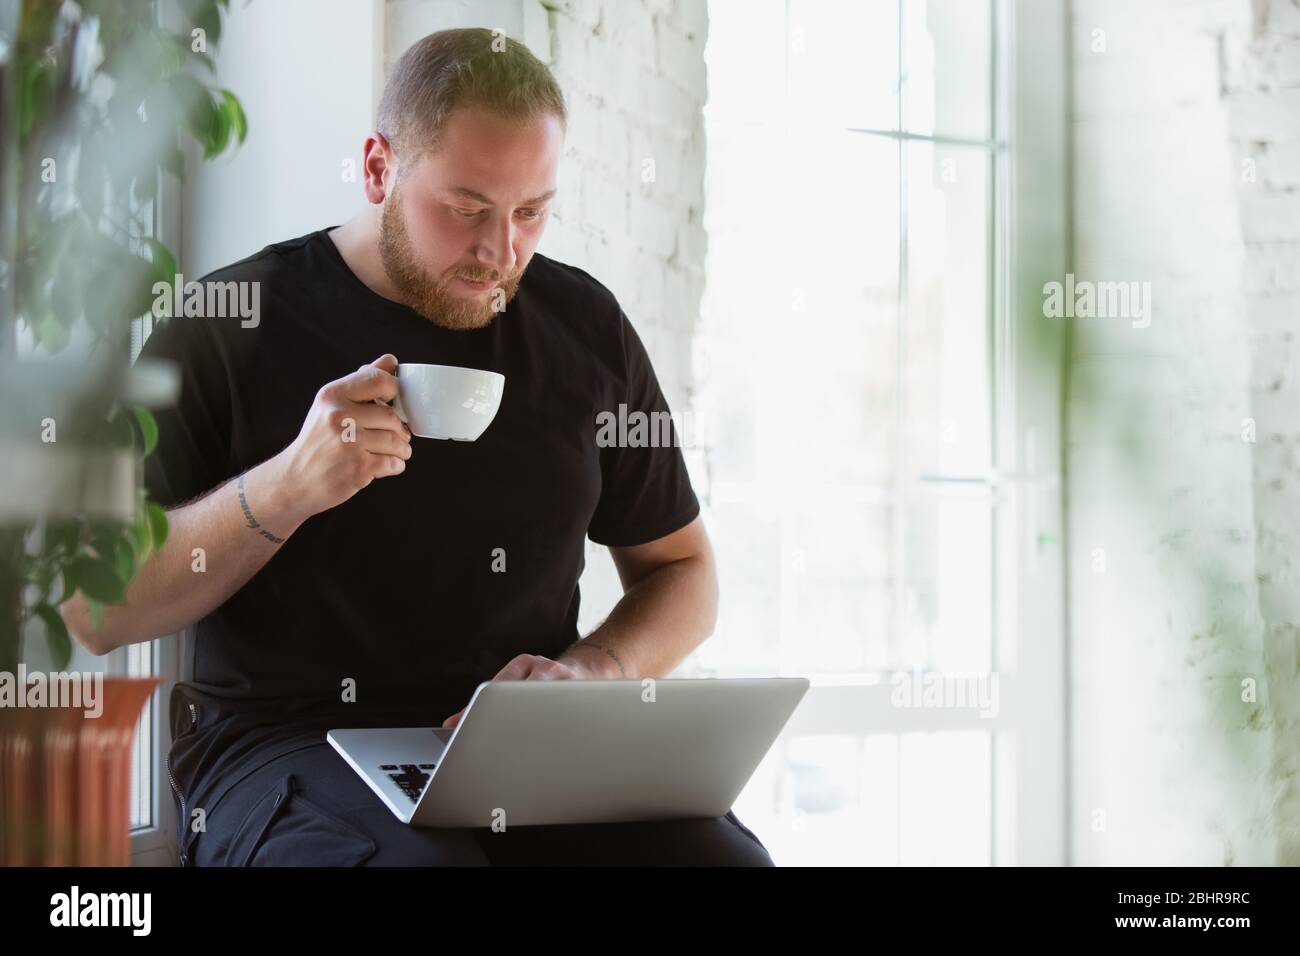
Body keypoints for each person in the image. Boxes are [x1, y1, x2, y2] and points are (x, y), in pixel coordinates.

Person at [60, 26, 774, 866]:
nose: (500, 253)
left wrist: (592, 676)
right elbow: (93, 609)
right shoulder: (233, 322)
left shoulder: (586, 329)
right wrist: (286, 488)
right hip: (287, 750)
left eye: (531, 212)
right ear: (377, 169)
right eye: (466, 209)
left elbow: (685, 574)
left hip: (524, 755)